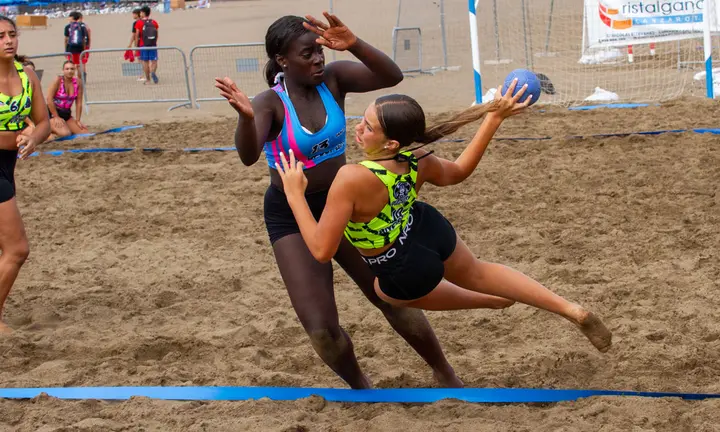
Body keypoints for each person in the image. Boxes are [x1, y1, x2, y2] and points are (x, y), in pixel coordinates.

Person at [214, 13, 464, 389]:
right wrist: (246, 119)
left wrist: (354, 44)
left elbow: (391, 77)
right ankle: (362, 389)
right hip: (291, 214)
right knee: (322, 331)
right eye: (307, 54)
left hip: (344, 203)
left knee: (390, 297)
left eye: (319, 50)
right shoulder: (270, 103)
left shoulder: (333, 80)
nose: (318, 59)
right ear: (282, 60)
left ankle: (445, 372)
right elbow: (248, 156)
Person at [273, 83, 613, 353]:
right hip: (425, 228)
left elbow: (321, 250)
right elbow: (459, 172)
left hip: (400, 265)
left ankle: (490, 301)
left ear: (391, 143)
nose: (358, 128)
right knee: (478, 271)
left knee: (385, 292)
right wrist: (493, 119)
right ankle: (570, 309)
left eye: (368, 126)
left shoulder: (351, 178)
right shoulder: (418, 155)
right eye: (362, 119)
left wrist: (294, 195)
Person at [0, 15, 51, 334]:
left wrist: (34, 137)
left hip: (7, 165)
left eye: (12, 34)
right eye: (0, 35)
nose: (8, 40)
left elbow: (44, 121)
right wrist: (18, 134)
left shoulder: (26, 73)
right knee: (18, 249)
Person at [46, 60, 87, 138]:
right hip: (53, 112)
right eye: (67, 69)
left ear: (74, 70)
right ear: (63, 70)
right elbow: (49, 99)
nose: (69, 71)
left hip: (66, 114)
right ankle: (49, 127)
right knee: (65, 134)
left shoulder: (78, 82)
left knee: (84, 133)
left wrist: (78, 120)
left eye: (72, 69)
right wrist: (56, 116)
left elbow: (78, 103)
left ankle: (59, 127)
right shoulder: (57, 81)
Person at [134, 5, 159, 85]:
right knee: (154, 61)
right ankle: (153, 72)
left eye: (141, 12)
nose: (140, 14)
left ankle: (148, 79)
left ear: (143, 13)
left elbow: (137, 35)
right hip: (153, 44)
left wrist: (136, 46)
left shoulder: (139, 23)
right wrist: (154, 42)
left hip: (143, 44)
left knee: (145, 62)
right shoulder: (154, 22)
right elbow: (157, 34)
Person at [63, 11, 90, 83]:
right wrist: (84, 50)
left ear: (72, 18)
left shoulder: (67, 27)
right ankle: (80, 80)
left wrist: (65, 50)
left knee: (71, 64)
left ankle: (71, 80)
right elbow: (84, 39)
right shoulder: (82, 26)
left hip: (70, 48)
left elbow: (66, 39)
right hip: (80, 48)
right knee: (79, 65)